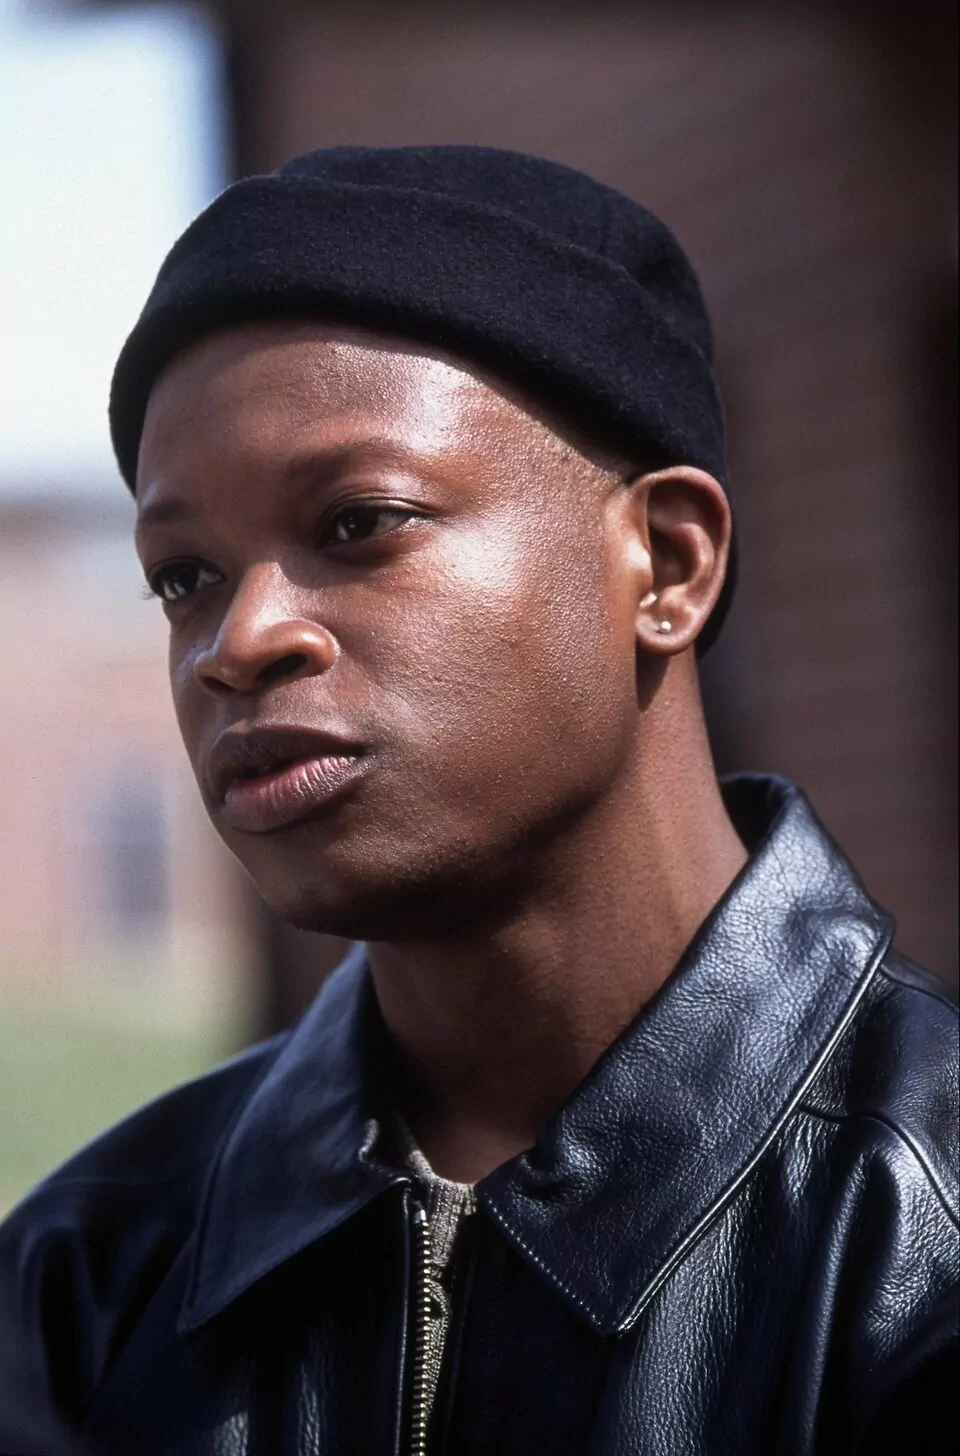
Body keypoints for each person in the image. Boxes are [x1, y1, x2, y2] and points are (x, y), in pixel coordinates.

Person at [0, 146, 956, 1456]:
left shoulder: (920, 1227)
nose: (240, 640)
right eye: (184, 577)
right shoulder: (78, 1285)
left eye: (358, 523)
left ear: (665, 562)